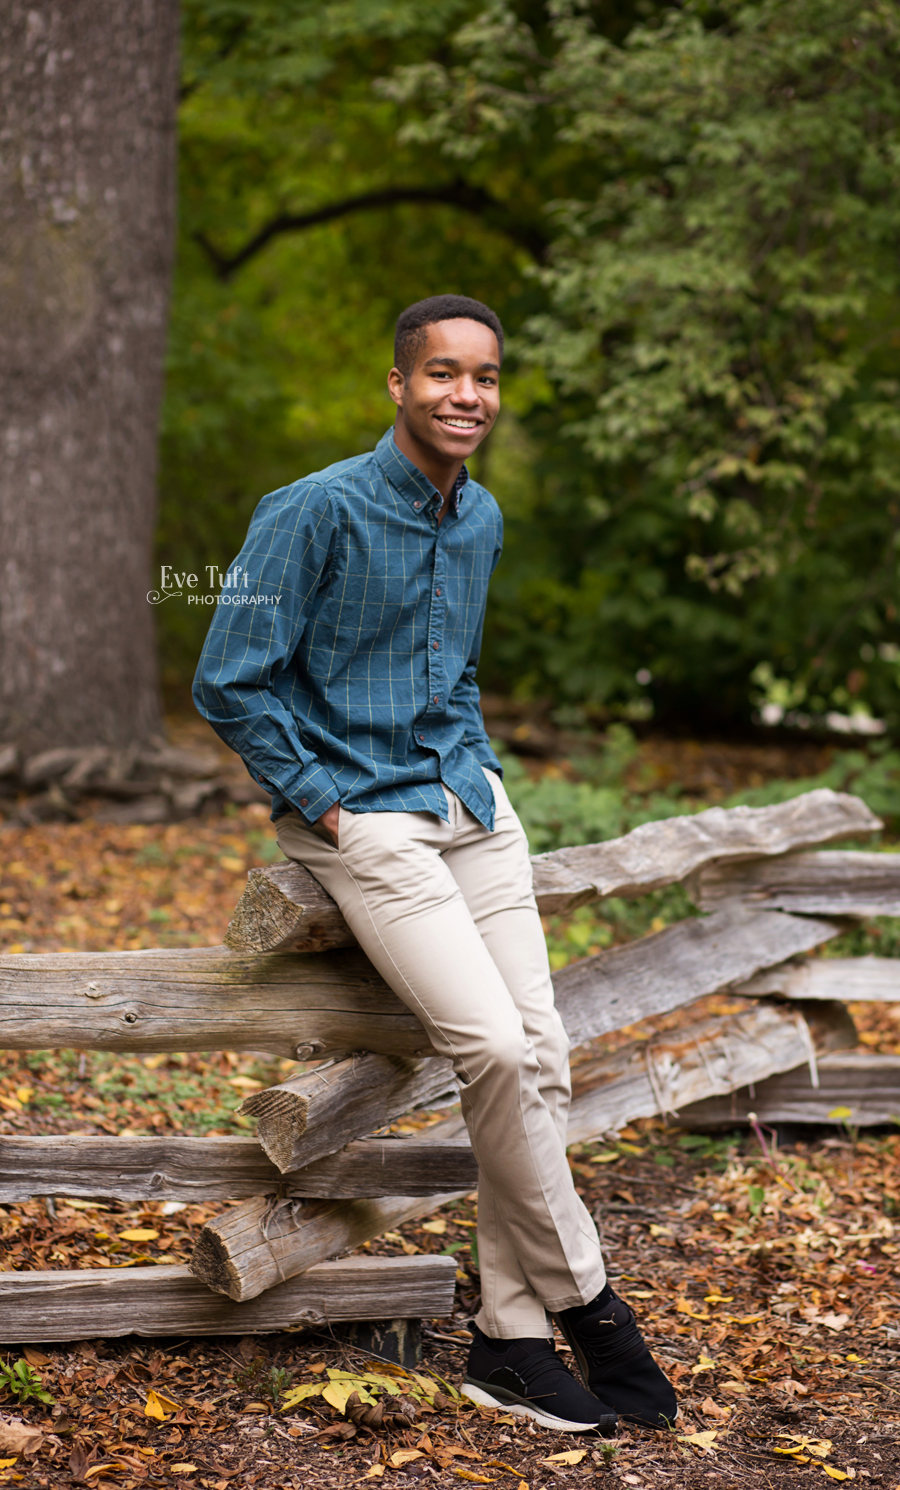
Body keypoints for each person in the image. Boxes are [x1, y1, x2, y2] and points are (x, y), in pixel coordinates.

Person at [190, 295, 677, 1436]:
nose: (467, 395)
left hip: (468, 805)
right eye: (443, 374)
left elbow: (452, 670)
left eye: (486, 377)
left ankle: (507, 1338)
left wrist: (478, 772)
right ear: (398, 386)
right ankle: (592, 1306)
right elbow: (229, 678)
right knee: (493, 1046)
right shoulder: (309, 510)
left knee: (542, 1056)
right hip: (361, 817)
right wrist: (327, 806)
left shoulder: (481, 519)